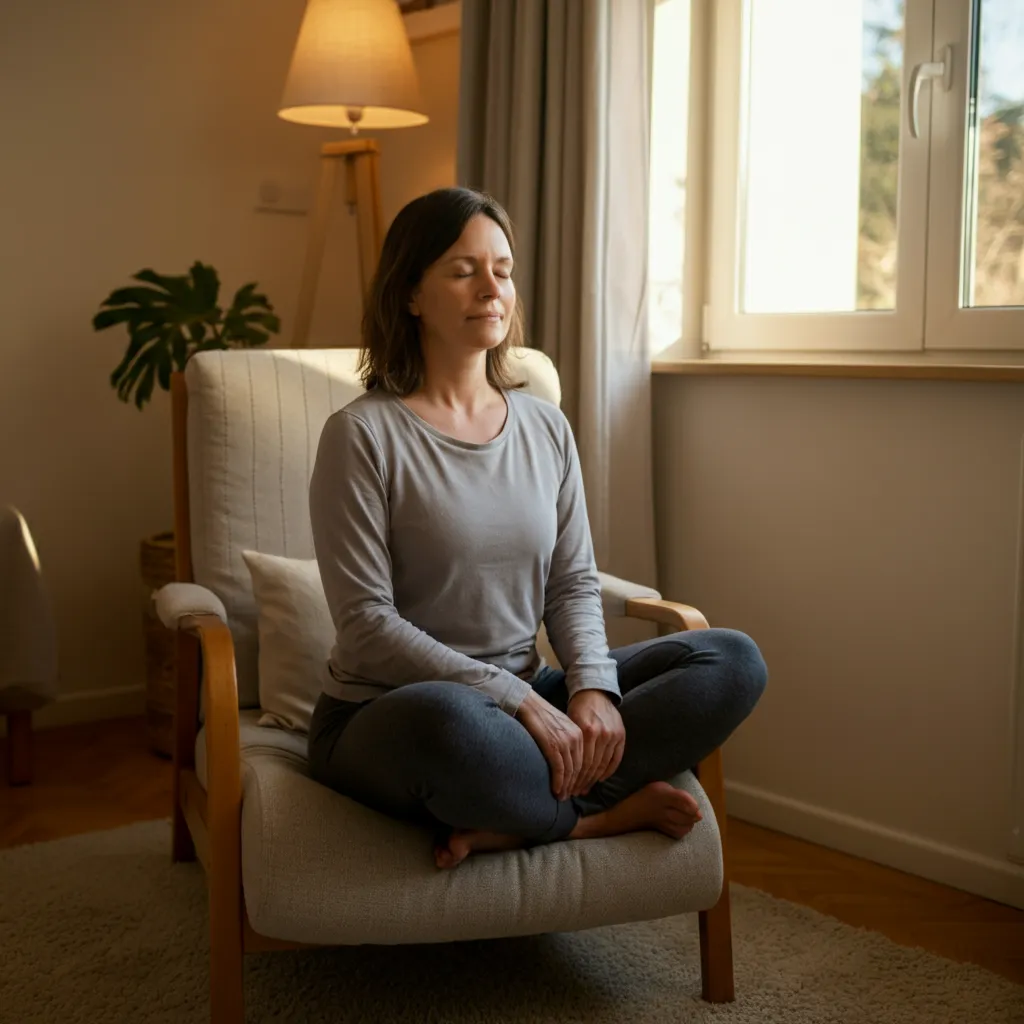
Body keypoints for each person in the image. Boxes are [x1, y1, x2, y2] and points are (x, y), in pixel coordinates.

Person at [306, 186, 767, 870]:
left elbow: (573, 582)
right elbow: (367, 626)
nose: (492, 288)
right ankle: (592, 818)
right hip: (399, 714)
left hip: (528, 699)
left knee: (729, 660)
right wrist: (517, 700)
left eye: (503, 269)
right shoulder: (362, 435)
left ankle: (525, 813)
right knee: (456, 732)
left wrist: (590, 689)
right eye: (463, 271)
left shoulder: (544, 426)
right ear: (410, 294)